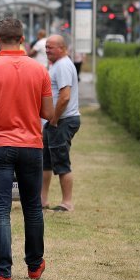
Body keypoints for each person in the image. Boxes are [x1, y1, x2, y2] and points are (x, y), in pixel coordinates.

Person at [0, 18, 54, 280]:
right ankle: (34, 265)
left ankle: (3, 272)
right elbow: (48, 113)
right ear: (22, 39)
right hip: (31, 145)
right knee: (32, 208)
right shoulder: (39, 70)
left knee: (0, 209)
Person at [41, 35, 81, 213]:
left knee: (61, 161)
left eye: (51, 47)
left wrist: (55, 118)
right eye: (46, 47)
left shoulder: (63, 65)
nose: (47, 50)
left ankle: (67, 202)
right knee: (46, 162)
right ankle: (42, 200)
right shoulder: (57, 65)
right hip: (54, 121)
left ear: (62, 48)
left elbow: (65, 96)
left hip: (62, 121)